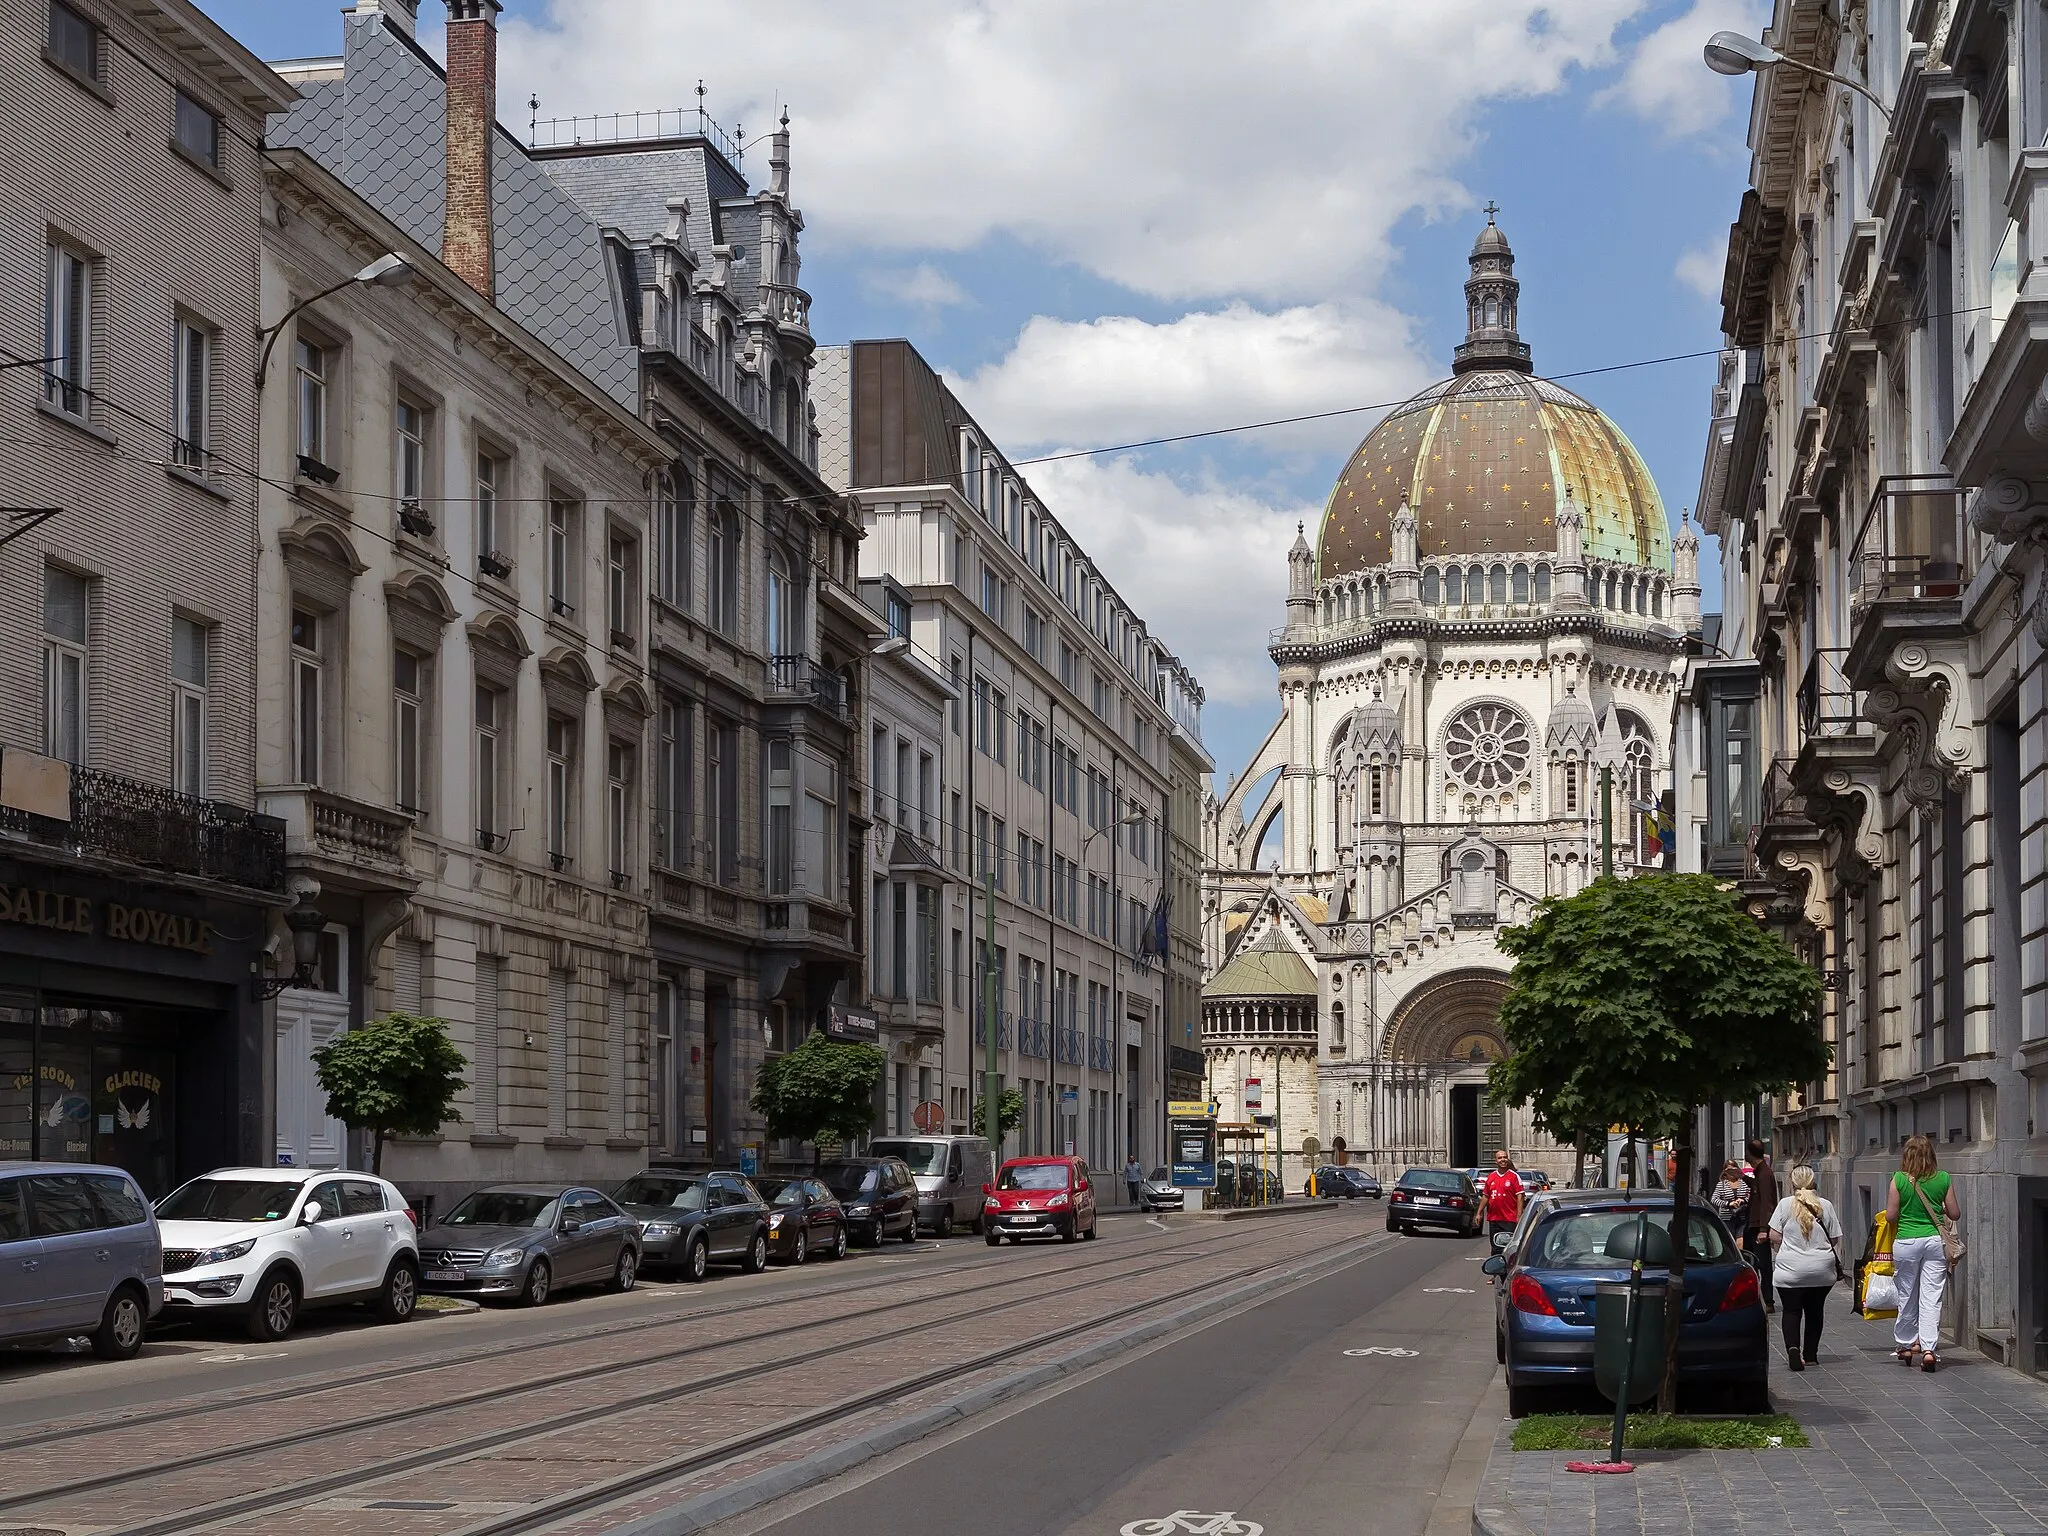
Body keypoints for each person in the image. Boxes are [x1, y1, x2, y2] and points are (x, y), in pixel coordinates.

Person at [1885, 1134, 1961, 1371]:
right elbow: (1955, 1213)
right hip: (1934, 1241)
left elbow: (1890, 1216)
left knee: (1907, 1293)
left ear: (1906, 1156)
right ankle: (1928, 1349)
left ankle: (1906, 1345)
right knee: (1931, 1296)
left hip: (1907, 1241)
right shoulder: (1943, 1178)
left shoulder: (1898, 1179)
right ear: (1931, 1155)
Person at [1766, 1165, 1842, 1371]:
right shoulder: (1825, 1205)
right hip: (1821, 1270)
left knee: (1791, 1311)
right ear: (1813, 1182)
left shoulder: (1785, 1204)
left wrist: (1790, 1243)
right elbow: (1834, 1238)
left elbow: (1773, 1234)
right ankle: (1810, 1355)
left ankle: (1792, 1349)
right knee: (1815, 1311)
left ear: (1792, 1183)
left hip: (1790, 1270)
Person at [1743, 1138, 1778, 1313]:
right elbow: (1757, 1189)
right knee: (1750, 1261)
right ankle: (1756, 1297)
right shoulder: (1760, 1172)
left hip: (1759, 1227)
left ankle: (1768, 1300)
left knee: (1762, 1263)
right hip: (1754, 1224)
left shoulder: (1764, 1174)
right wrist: (1742, 1177)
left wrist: (1764, 1229)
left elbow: (1767, 1203)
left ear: (1749, 1153)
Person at [1481, 1148, 1523, 1248]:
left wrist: (1519, 1216)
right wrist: (1479, 1213)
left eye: (1505, 1157)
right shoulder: (1491, 1177)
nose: (1503, 1160)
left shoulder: (1514, 1176)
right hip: (1494, 1219)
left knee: (1507, 1246)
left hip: (1509, 1219)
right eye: (1500, 1158)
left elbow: (1520, 1196)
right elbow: (1486, 1196)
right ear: (1496, 1161)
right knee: (1495, 1246)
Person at [1709, 1159, 1750, 1246]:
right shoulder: (1722, 1184)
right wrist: (1728, 1204)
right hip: (1727, 1217)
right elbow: (1714, 1199)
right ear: (1725, 1171)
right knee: (1729, 1242)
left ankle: (1741, 1256)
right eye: (1729, 1170)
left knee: (1740, 1240)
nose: (1732, 1172)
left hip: (1741, 1217)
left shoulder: (1744, 1183)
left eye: (1734, 1169)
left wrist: (1743, 1200)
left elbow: (1750, 1195)